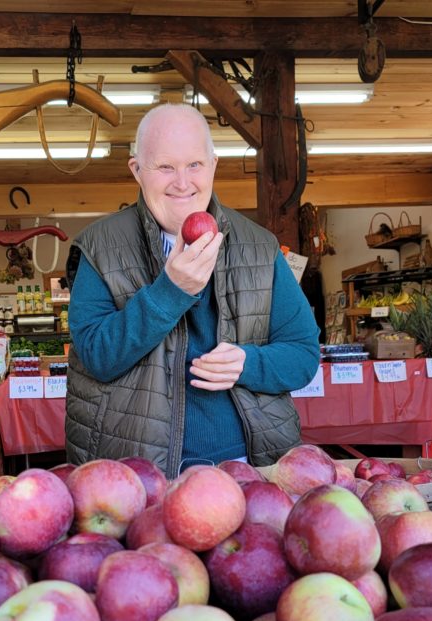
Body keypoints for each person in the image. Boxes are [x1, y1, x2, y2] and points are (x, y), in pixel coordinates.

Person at [65, 103, 320, 477]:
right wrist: (170, 292)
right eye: (165, 167)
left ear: (213, 165)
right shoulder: (100, 247)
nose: (182, 182)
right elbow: (96, 356)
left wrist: (248, 364)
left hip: (248, 464)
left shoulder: (259, 246)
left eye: (195, 165)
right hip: (137, 475)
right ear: (137, 170)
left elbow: (303, 353)